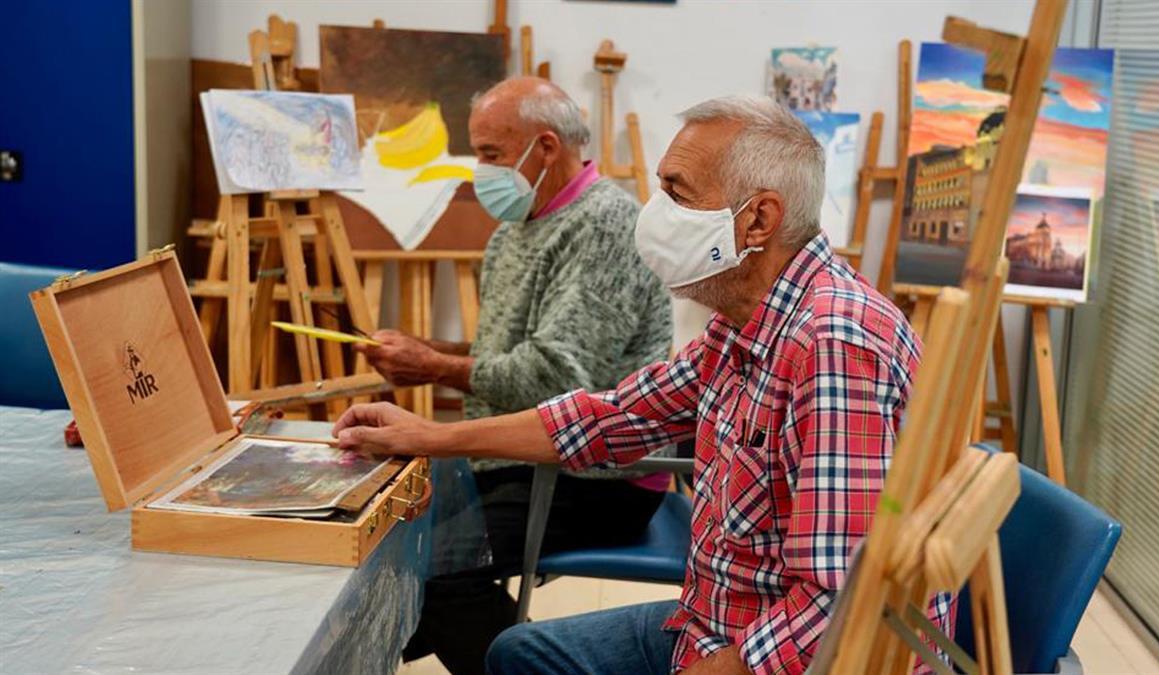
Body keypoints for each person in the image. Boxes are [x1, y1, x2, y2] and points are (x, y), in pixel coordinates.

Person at [337, 95, 952, 674]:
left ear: (759, 218)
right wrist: (424, 435)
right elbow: (607, 418)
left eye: (676, 193)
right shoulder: (745, 326)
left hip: (788, 652)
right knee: (518, 653)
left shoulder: (834, 345)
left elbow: (837, 606)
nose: (655, 213)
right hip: (716, 617)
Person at [356, 77, 673, 674]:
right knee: (388, 545)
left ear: (546, 147)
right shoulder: (518, 227)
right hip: (520, 455)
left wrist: (435, 367)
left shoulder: (604, 224)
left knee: (434, 570)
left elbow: (555, 379)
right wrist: (426, 351)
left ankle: (534, 665)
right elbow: (506, 354)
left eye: (490, 154)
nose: (479, 170)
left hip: (596, 473)